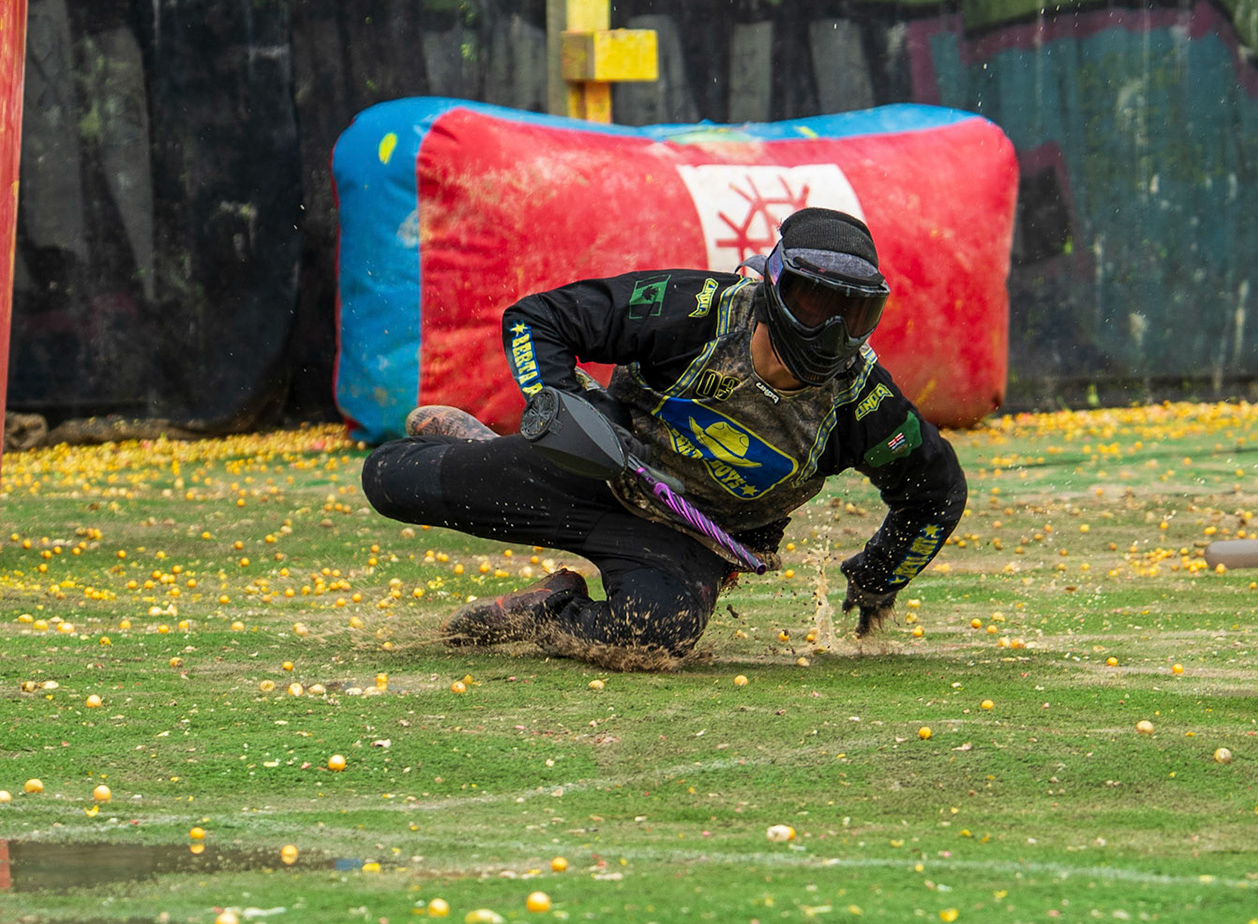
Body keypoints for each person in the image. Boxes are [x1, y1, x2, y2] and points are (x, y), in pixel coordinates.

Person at [359, 208, 967, 666]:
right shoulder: (695, 308)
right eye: (813, 303)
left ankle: (545, 612)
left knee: (655, 635)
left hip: (685, 542)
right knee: (387, 479)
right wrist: (558, 411)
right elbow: (539, 318)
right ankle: (474, 447)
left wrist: (878, 576)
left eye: (853, 314)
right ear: (775, 287)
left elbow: (936, 492)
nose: (832, 331)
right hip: (593, 470)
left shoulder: (863, 403)